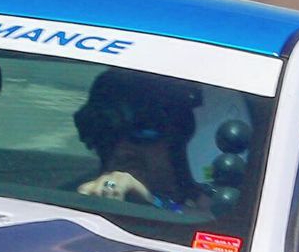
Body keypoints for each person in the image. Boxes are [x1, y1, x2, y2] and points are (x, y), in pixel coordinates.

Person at [73, 67, 203, 210]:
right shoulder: (66, 193)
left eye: (143, 131)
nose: (122, 151)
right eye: (107, 134)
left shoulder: (214, 206)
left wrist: (152, 202)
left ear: (178, 140)